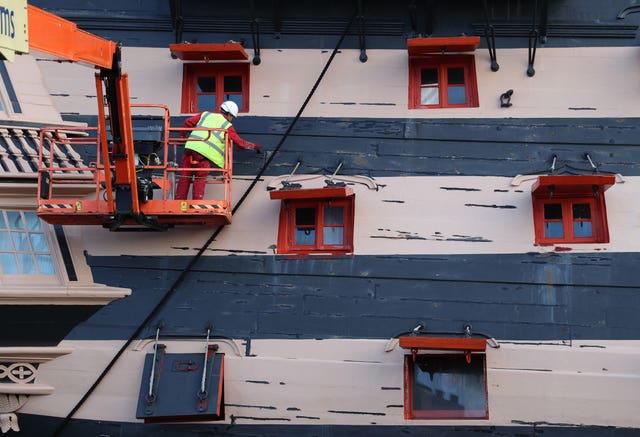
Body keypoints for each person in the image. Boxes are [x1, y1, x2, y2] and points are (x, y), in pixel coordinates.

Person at [175, 101, 261, 200]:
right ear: (228, 114)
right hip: (204, 154)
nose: (231, 119)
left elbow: (187, 122)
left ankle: (179, 201)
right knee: (200, 178)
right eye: (232, 117)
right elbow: (240, 143)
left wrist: (181, 138)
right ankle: (196, 203)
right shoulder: (227, 125)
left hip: (189, 148)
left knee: (185, 176)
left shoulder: (205, 115)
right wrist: (255, 146)